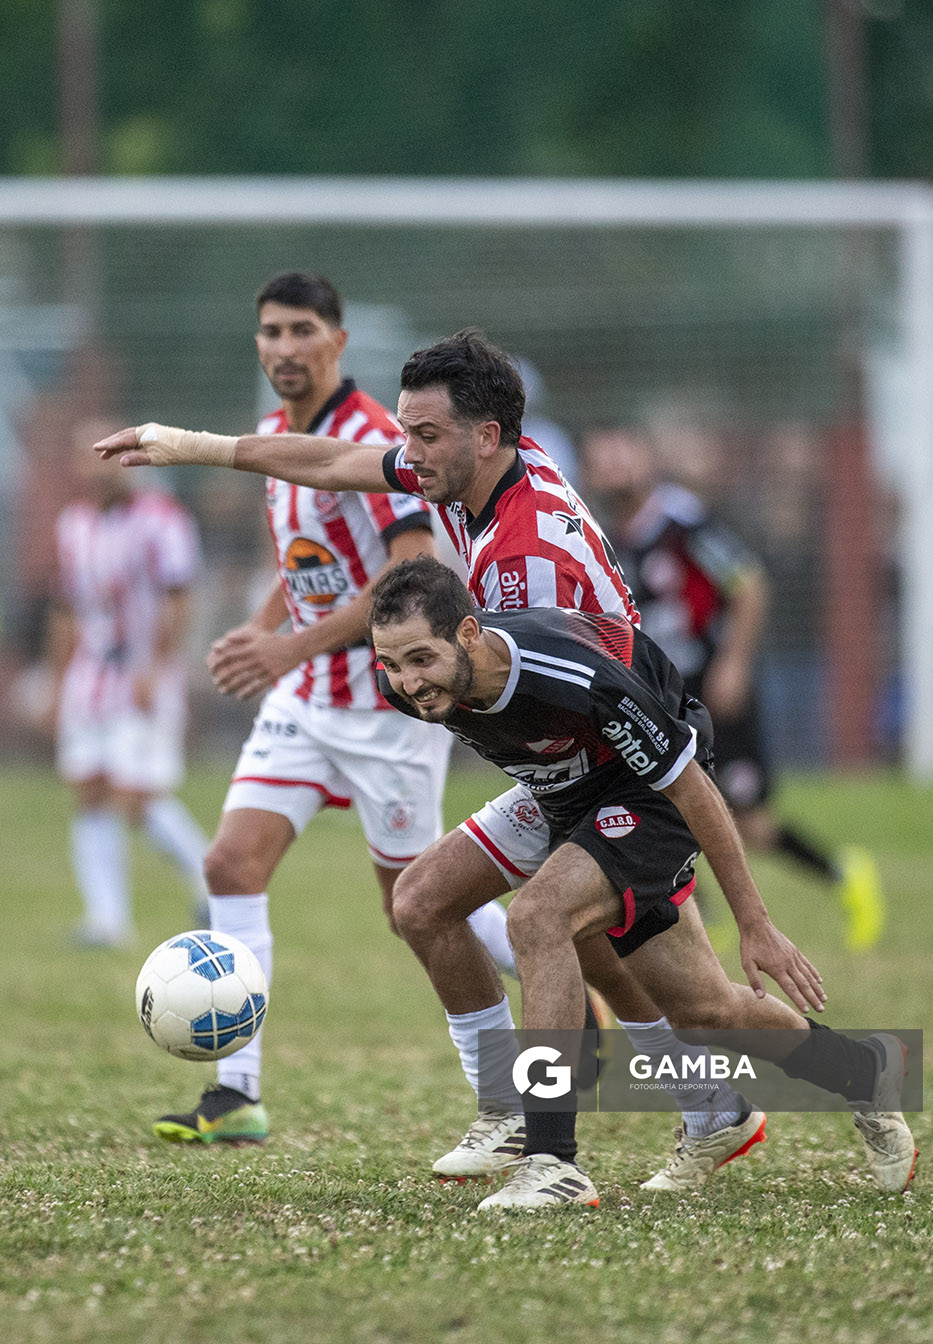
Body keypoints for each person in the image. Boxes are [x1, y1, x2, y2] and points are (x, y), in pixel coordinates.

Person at [95, 331, 770, 1189]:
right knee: (427, 903)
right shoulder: (466, 476)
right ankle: (558, 1112)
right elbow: (336, 462)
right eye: (406, 434)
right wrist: (196, 447)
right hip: (563, 771)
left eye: (425, 436)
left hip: (628, 774)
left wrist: (741, 906)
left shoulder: (530, 569)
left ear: (486, 435)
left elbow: (627, 726)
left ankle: (572, 1152)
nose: (405, 456)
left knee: (673, 986)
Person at [368, 555, 917, 1209]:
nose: (406, 682)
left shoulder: (571, 676)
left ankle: (550, 1161)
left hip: (651, 793)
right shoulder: (414, 686)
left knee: (537, 917)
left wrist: (753, 921)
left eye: (419, 660)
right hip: (562, 794)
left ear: (466, 634)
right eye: (393, 664)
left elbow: (691, 785)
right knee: (695, 1004)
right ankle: (862, 1072)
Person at [146, 274, 529, 1147]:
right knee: (231, 863)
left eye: (301, 330)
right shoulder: (280, 437)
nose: (283, 347)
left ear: (336, 341)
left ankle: (553, 975)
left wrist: (286, 646)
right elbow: (308, 566)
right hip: (306, 702)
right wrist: (264, 628)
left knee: (421, 906)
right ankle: (234, 1092)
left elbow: (406, 581)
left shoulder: (385, 441)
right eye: (269, 332)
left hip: (390, 707)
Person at [581, 425, 883, 952]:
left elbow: (748, 584)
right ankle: (695, 920)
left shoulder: (682, 521)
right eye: (600, 457)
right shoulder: (608, 533)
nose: (612, 465)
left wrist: (734, 663)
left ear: (646, 457)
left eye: (621, 451)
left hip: (714, 686)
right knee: (665, 802)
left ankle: (844, 874)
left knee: (747, 820)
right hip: (665, 694)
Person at [48, 418, 210, 947]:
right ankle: (106, 920)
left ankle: (210, 880)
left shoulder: (161, 519)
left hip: (142, 675)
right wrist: (58, 679)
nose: (99, 466)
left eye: (110, 454)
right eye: (86, 455)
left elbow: (178, 597)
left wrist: (157, 666)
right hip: (91, 677)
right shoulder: (72, 524)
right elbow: (67, 607)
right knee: (89, 791)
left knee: (135, 796)